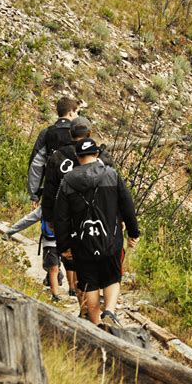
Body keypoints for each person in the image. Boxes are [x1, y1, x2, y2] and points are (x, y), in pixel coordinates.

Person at [54, 138, 139, 326]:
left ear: (77, 157)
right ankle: (109, 311)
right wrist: (133, 233)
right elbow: (127, 206)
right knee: (112, 279)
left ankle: (97, 327)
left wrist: (64, 246)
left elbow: (61, 217)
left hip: (83, 243)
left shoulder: (67, 181)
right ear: (97, 154)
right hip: (110, 240)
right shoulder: (111, 175)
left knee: (88, 284)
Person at [42, 116, 112, 297]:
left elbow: (49, 189)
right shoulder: (100, 157)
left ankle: (78, 291)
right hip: (93, 214)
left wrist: (48, 216)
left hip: (65, 212)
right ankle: (90, 296)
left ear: (70, 133)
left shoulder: (57, 156)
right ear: (89, 134)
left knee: (70, 253)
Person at [28, 97, 79, 204]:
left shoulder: (46, 132)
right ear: (70, 113)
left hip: (51, 189)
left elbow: (36, 164)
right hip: (76, 190)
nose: (77, 116)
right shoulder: (79, 133)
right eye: (76, 112)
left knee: (50, 218)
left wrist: (34, 194)